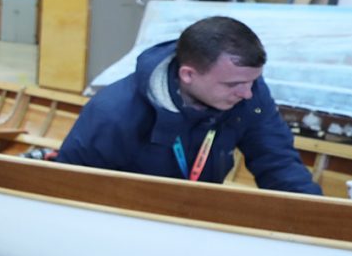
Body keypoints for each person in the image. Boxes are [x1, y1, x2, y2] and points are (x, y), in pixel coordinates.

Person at [57, 16, 319, 192]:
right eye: (233, 85)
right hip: (128, 223)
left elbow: (278, 162)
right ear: (188, 75)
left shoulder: (249, 94)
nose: (248, 94)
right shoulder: (114, 113)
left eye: (253, 81)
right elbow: (67, 187)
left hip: (196, 214)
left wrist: (316, 221)